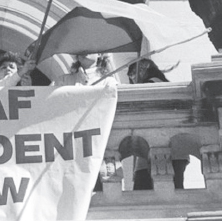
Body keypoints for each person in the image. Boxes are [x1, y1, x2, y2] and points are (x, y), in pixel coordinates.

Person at [128, 57, 188, 189]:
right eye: (130, 75)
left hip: (160, 148)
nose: (132, 77)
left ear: (145, 68)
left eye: (133, 72)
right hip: (175, 149)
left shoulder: (151, 85)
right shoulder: (166, 85)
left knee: (144, 193)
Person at [51, 53, 116, 87]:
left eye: (90, 46)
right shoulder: (62, 81)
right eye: (81, 48)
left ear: (99, 54)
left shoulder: (108, 82)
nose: (85, 51)